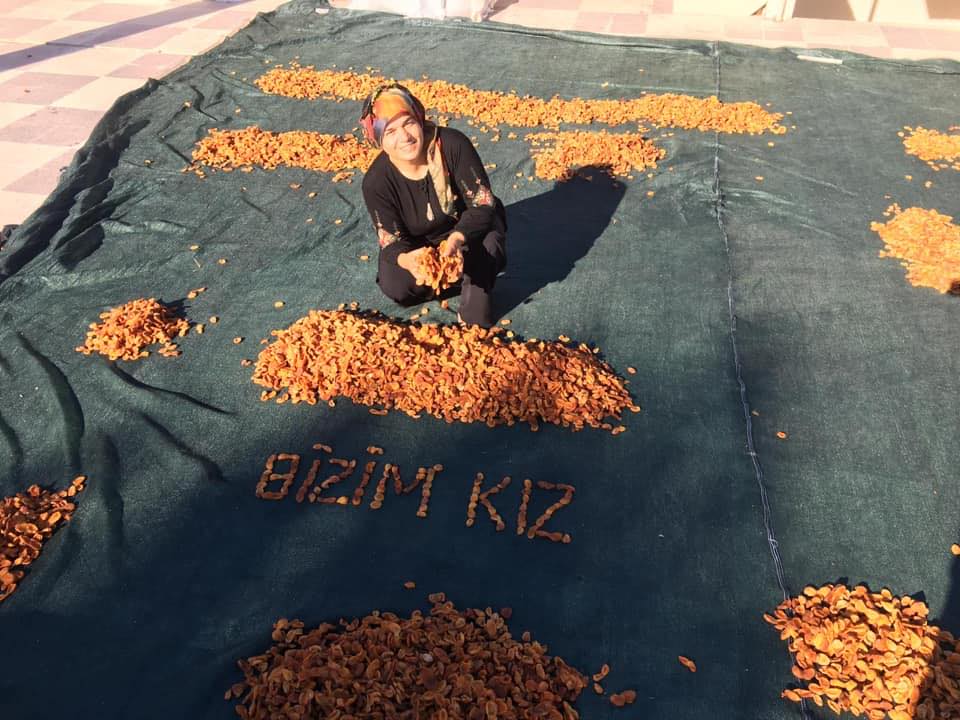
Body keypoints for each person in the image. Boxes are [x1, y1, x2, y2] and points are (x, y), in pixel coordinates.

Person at [359, 83, 507, 328]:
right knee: (396, 284)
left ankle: (472, 275)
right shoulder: (376, 182)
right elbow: (391, 241)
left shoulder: (452, 145)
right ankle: (458, 277)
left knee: (489, 246)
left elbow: (483, 205)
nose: (404, 137)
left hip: (465, 232)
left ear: (419, 119)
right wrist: (410, 260)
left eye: (408, 123)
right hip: (420, 244)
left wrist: (456, 240)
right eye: (390, 131)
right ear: (378, 139)